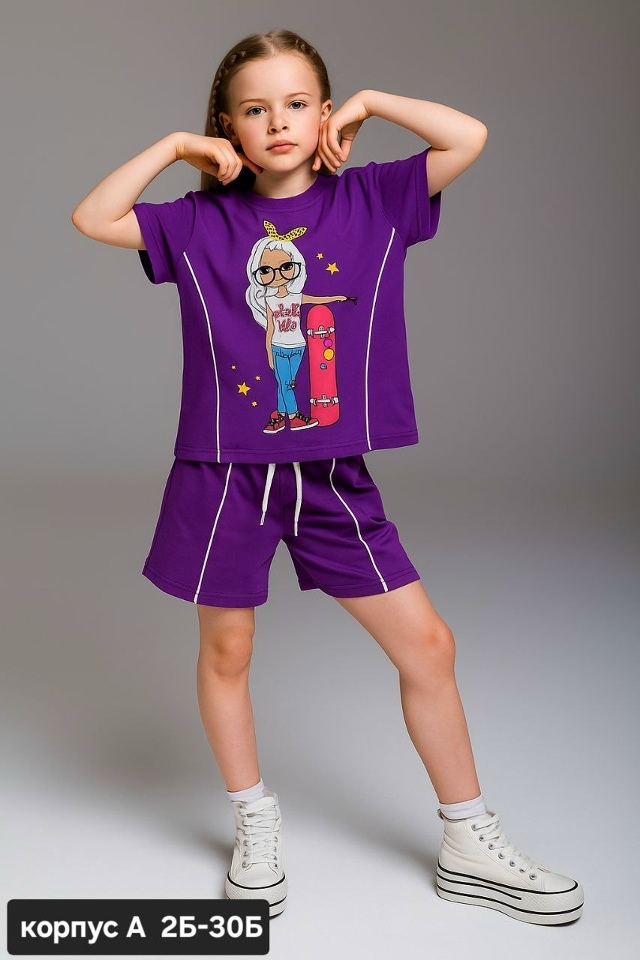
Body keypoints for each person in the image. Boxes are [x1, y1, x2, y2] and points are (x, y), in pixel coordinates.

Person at [71, 28, 584, 926]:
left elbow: (467, 137)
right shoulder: (196, 223)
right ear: (228, 125)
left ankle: (468, 838)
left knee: (428, 647)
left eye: (298, 103)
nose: (278, 122)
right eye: (255, 108)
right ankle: (254, 820)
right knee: (228, 652)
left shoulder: (375, 199)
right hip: (222, 476)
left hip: (330, 478)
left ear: (324, 114)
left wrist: (374, 102)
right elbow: (93, 217)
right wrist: (176, 148)